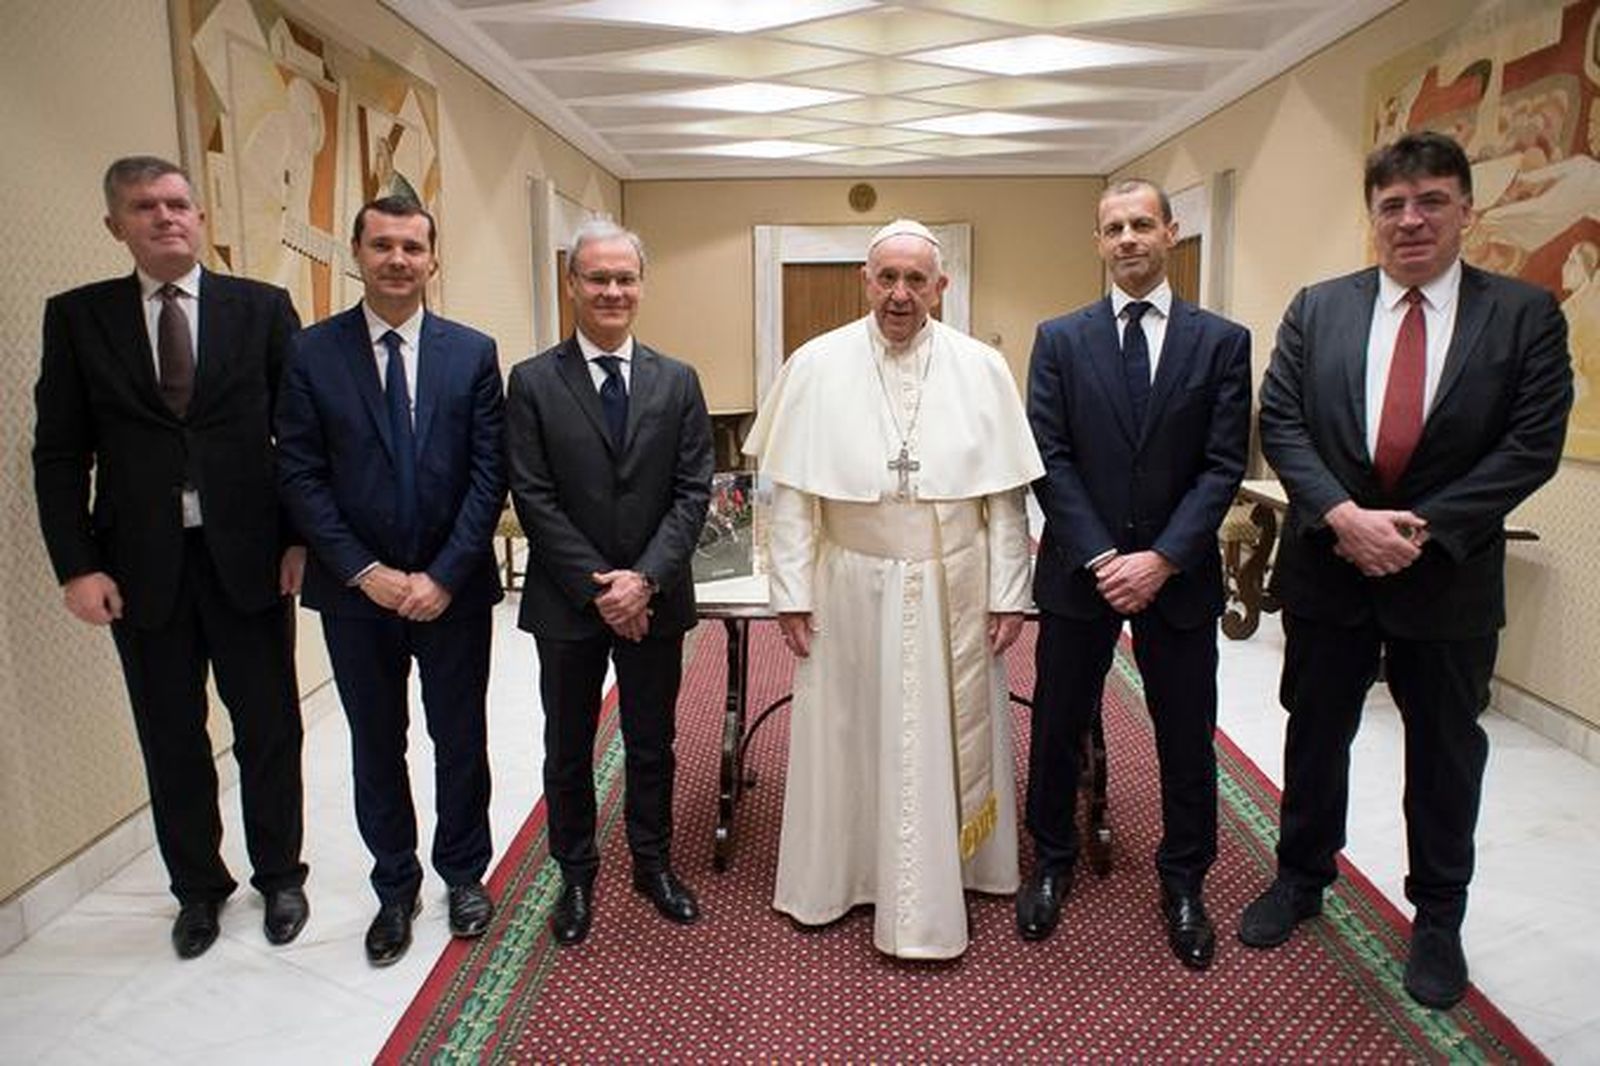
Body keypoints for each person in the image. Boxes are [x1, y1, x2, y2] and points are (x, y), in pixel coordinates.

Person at [1243, 131, 1572, 1010]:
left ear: (1466, 210)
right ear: (1373, 217)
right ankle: (1301, 877)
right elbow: (1283, 423)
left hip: (1448, 579)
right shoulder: (1320, 309)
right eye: (1392, 205)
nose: (1411, 220)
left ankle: (1438, 919)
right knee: (1315, 733)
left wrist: (1421, 530)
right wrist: (1344, 517)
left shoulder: (1523, 316)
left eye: (1430, 201)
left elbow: (1530, 446)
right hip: (1330, 566)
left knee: (1445, 753)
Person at [743, 218, 1043, 959]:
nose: (900, 294)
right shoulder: (815, 365)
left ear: (941, 286)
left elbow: (1005, 501)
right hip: (849, 584)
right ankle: (842, 875)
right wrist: (791, 592)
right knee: (847, 731)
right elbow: (795, 497)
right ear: (865, 281)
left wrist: (1008, 591)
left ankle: (954, 872)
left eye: (916, 280)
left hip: (953, 584)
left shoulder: (981, 368)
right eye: (887, 278)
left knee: (943, 734)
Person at [33, 156, 309, 959]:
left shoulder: (261, 310)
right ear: (115, 225)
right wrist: (76, 565)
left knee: (269, 726)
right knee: (171, 735)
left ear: (200, 216)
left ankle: (280, 875)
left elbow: (299, 437)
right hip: (140, 567)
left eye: (178, 203)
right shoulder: (79, 319)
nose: (165, 217)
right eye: (144, 206)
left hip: (250, 558)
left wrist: (301, 539)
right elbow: (59, 453)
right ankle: (197, 889)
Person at [1023, 180, 1251, 970]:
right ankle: (1050, 861)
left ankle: (1184, 881)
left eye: (1142, 224)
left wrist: (1160, 559)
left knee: (1186, 736)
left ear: (1170, 233)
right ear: (1098, 242)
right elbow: (1048, 457)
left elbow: (1223, 464)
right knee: (1056, 726)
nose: (1128, 238)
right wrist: (1101, 556)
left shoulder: (1221, 342)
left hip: (1177, 578)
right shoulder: (1059, 339)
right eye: (1114, 227)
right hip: (1078, 573)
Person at [276, 196, 506, 966]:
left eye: (412, 246)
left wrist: (443, 575)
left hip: (453, 592)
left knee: (460, 739)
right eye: (383, 245)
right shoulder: (311, 354)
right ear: (358, 253)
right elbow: (300, 475)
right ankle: (395, 885)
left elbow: (489, 474)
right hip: (356, 596)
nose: (398, 259)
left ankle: (464, 874)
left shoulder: (471, 353)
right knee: (376, 744)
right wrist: (365, 571)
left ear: (433, 259)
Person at [507, 220, 712, 947]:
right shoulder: (532, 381)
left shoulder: (677, 380)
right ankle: (575, 874)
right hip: (568, 603)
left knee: (652, 741)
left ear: (641, 286)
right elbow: (533, 495)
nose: (612, 291)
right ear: (572, 284)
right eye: (597, 278)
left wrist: (644, 581)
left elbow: (693, 491)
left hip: (656, 599)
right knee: (567, 746)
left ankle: (653, 864)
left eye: (625, 278)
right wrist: (602, 588)